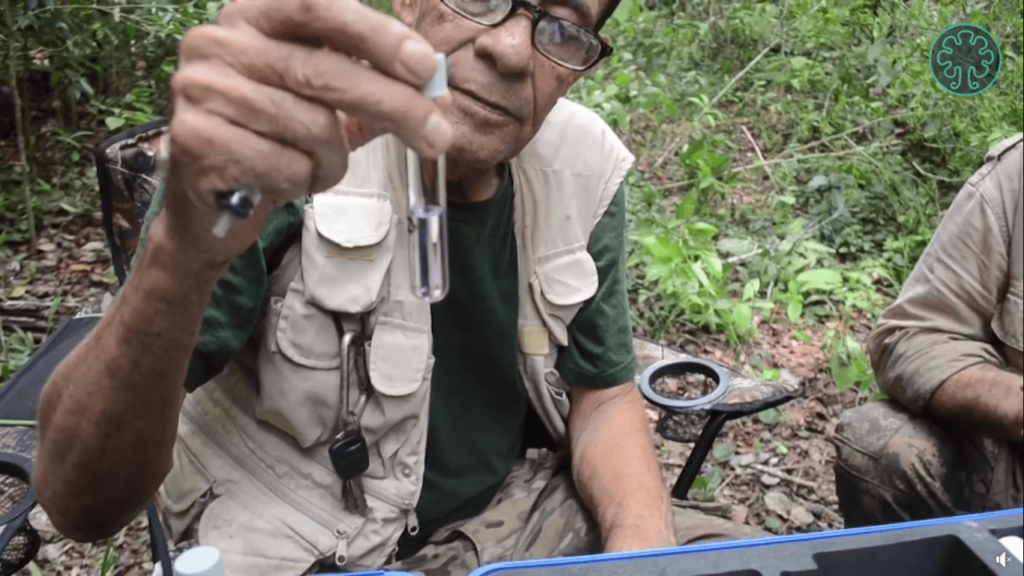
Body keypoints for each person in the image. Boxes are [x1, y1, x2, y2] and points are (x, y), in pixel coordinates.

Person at [31, 0, 762, 574]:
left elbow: (601, 395)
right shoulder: (288, 148)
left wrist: (638, 551)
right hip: (306, 539)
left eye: (563, 28)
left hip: (508, 511)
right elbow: (80, 503)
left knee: (739, 563)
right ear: (408, 2)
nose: (512, 50)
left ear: (579, 66)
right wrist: (182, 250)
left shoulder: (582, 166)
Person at [833, 133, 1023, 528]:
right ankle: (983, 557)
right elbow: (913, 336)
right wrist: (1015, 404)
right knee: (881, 443)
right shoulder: (1016, 178)